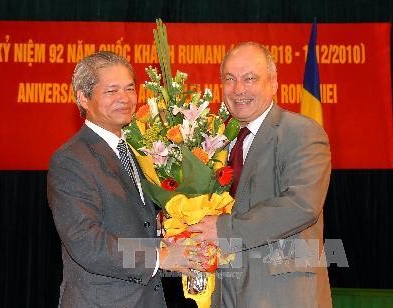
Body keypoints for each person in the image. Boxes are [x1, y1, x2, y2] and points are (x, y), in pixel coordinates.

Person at [47, 51, 206, 307]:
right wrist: (159, 257)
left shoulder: (138, 151)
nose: (125, 98)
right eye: (111, 91)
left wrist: (179, 235)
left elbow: (139, 227)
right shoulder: (72, 160)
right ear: (83, 98)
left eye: (130, 88)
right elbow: (86, 242)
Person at [188, 42, 332, 307]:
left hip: (282, 293)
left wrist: (223, 229)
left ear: (274, 83)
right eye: (229, 79)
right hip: (223, 290)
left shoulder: (301, 132)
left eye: (250, 78)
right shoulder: (215, 140)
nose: (239, 89)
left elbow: (302, 205)